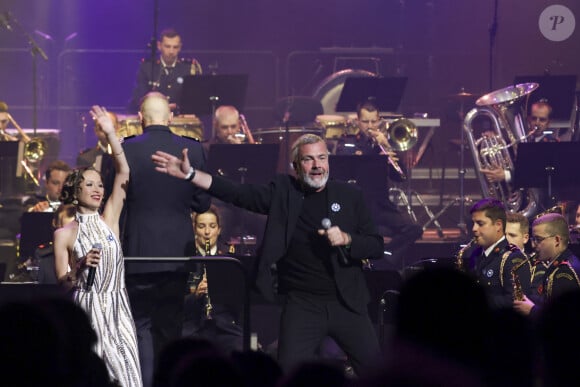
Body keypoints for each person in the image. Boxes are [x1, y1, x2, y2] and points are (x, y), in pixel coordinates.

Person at [152, 133, 383, 375]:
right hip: (303, 304)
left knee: (378, 374)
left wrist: (347, 240)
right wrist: (192, 175)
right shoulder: (283, 192)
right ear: (295, 166)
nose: (317, 166)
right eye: (308, 160)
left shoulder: (349, 196)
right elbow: (238, 193)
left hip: (346, 301)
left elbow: (375, 245)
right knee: (286, 374)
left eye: (322, 158)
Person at [122, 91, 211, 387]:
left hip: (138, 251)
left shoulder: (125, 149)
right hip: (178, 252)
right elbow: (202, 204)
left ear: (139, 118)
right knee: (171, 324)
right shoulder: (193, 150)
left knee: (140, 325)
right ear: (171, 117)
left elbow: (115, 200)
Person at [53, 105, 142, 386]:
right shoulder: (64, 234)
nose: (97, 189)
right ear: (76, 190)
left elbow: (124, 171)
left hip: (117, 307)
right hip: (87, 310)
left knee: (127, 377)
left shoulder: (110, 219)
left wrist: (111, 133)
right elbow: (63, 283)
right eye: (90, 184)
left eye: (100, 185)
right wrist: (79, 267)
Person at [336, 100, 422, 270]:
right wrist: (375, 149)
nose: (370, 126)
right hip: (357, 208)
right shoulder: (348, 142)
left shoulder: (385, 145)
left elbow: (401, 177)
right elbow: (343, 168)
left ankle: (385, 256)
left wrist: (388, 147)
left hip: (381, 207)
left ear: (379, 121)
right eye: (365, 121)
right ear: (357, 122)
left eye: (374, 121)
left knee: (414, 229)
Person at [183, 206, 244, 354]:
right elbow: (175, 304)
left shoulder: (230, 260)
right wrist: (196, 294)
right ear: (194, 228)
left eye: (212, 226)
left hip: (224, 326)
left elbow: (240, 302)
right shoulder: (185, 259)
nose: (207, 232)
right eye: (202, 226)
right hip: (193, 326)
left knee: (240, 348)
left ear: (219, 229)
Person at [465, 198, 531, 308]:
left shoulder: (514, 257)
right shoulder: (476, 254)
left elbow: (516, 301)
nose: (474, 229)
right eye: (473, 223)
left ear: (498, 225)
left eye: (480, 223)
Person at [513, 213, 580, 317]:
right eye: (533, 239)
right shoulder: (560, 265)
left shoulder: (563, 273)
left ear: (557, 240)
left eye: (538, 240)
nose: (533, 245)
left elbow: (564, 320)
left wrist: (532, 310)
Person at [128, 28, 202, 113]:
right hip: (154, 115)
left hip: (180, 116)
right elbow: (138, 97)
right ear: (159, 46)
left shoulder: (188, 69)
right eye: (167, 46)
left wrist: (178, 107)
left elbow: (195, 99)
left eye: (175, 47)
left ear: (180, 47)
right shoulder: (147, 68)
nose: (171, 51)